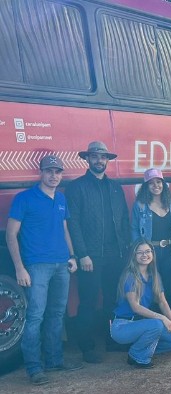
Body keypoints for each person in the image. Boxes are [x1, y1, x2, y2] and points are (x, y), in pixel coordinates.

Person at [7, 155, 81, 385]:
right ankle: (33, 367)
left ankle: (54, 360)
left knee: (57, 314)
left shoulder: (60, 199)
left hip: (61, 264)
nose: (54, 175)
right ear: (41, 172)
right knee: (35, 315)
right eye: (49, 171)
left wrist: (72, 256)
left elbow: (65, 229)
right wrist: (20, 268)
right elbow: (11, 235)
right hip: (37, 266)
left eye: (58, 172)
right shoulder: (24, 198)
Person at [66, 141, 130, 363]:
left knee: (113, 299)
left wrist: (126, 250)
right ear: (87, 159)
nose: (99, 161)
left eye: (103, 157)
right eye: (95, 156)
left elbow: (123, 220)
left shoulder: (115, 187)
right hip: (90, 257)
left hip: (115, 255)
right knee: (89, 301)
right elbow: (72, 223)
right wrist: (82, 254)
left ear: (108, 161)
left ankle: (112, 340)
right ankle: (87, 347)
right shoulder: (76, 187)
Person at [110, 239, 171, 368]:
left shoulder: (154, 276)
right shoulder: (130, 275)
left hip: (143, 325)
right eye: (139, 252)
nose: (144, 255)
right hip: (123, 325)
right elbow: (135, 307)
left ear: (152, 253)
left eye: (147, 251)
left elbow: (162, 302)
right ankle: (137, 355)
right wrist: (162, 318)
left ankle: (141, 350)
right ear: (134, 256)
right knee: (156, 324)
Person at [131, 168, 171, 309]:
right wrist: (139, 253)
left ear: (163, 184)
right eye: (151, 183)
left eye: (159, 182)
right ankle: (154, 321)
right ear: (146, 186)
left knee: (169, 286)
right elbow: (134, 230)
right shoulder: (140, 206)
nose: (156, 186)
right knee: (151, 286)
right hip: (149, 253)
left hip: (168, 252)